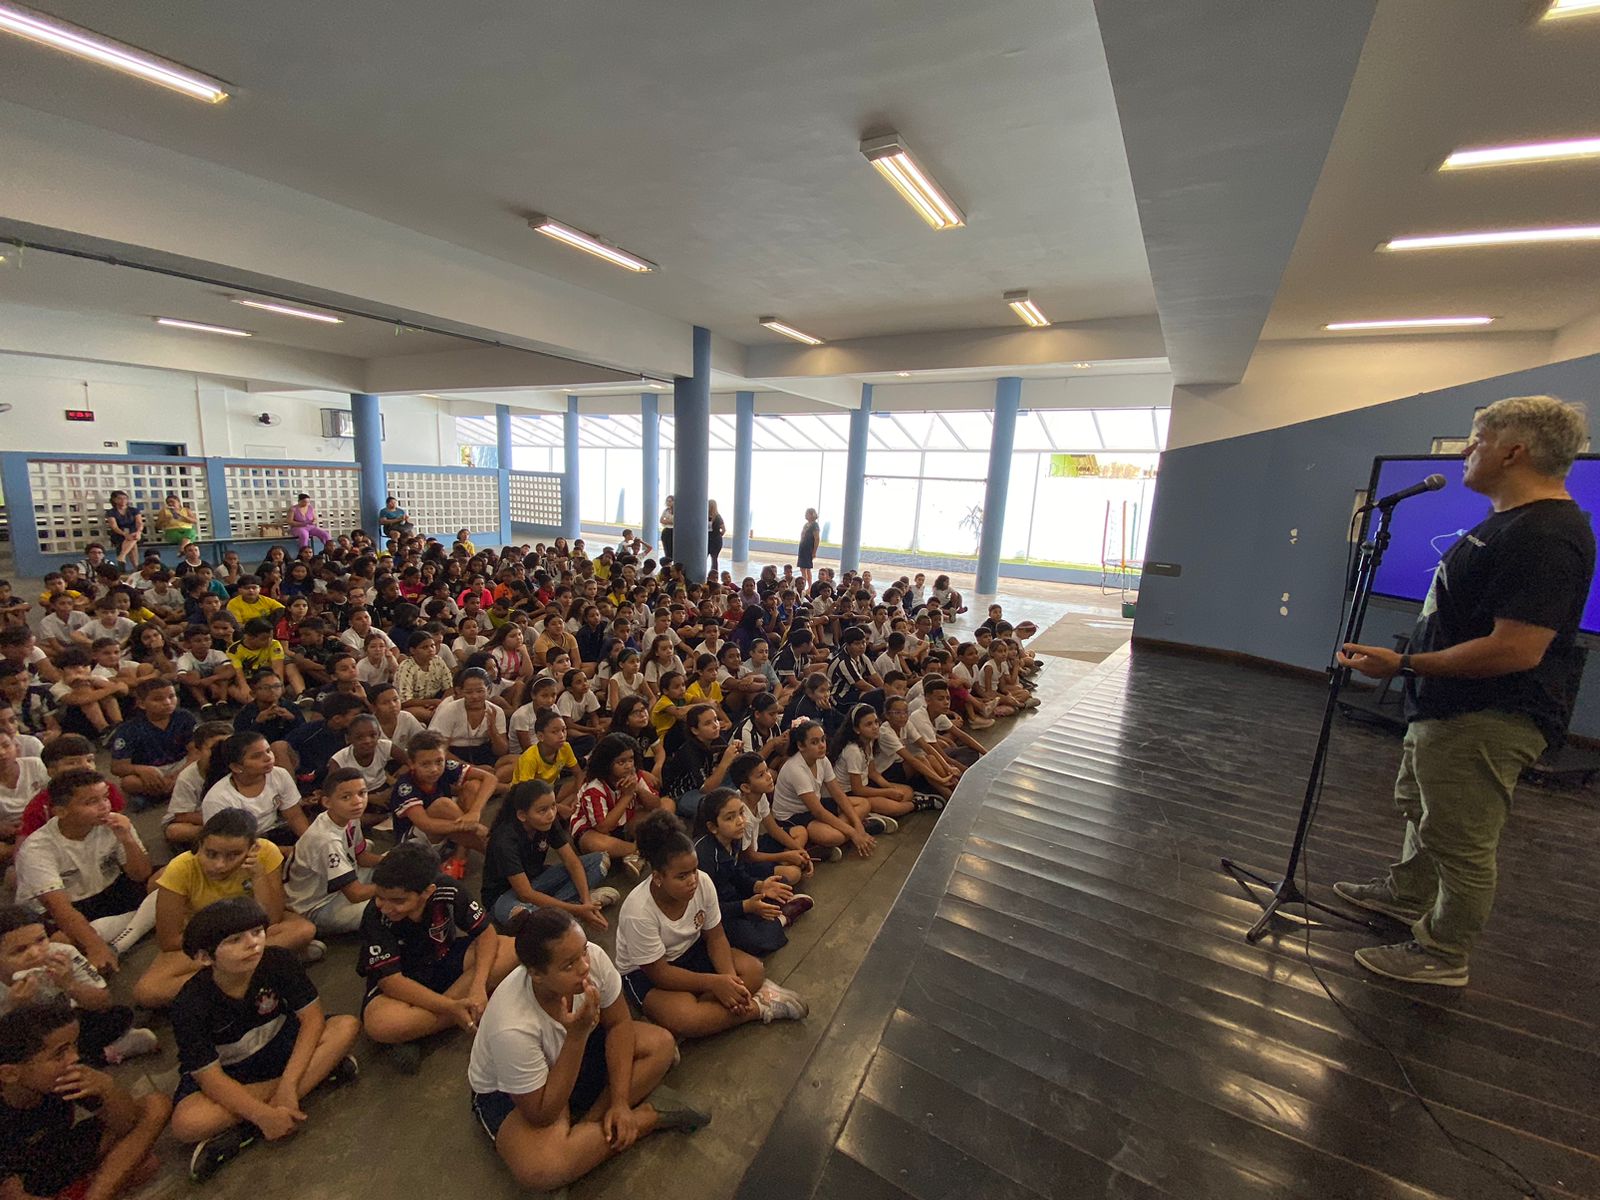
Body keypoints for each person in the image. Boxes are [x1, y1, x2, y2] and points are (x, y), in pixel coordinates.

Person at [1336, 395, 1595, 988]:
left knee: (1461, 840)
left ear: (1515, 450)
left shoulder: (1548, 537)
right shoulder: (1512, 521)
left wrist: (1402, 661)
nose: (1466, 449)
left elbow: (1517, 649)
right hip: (1447, 707)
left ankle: (1442, 952)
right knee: (1426, 813)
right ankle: (1406, 896)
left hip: (1487, 717)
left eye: (1477, 438)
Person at [466, 908, 709, 1192]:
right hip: (515, 1092)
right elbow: (541, 1113)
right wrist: (577, 1035)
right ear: (536, 974)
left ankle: (591, 1130)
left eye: (583, 951)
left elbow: (619, 1024)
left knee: (661, 1045)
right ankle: (650, 1116)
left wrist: (619, 1102)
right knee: (540, 1170)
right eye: (569, 965)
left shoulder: (592, 959)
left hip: (576, 1045)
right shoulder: (512, 1027)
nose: (584, 966)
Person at [167, 898, 360, 1182]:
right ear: (205, 957)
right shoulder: (189, 1004)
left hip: (282, 1048)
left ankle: (248, 1130)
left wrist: (288, 1086)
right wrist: (265, 1108)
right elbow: (210, 1078)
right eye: (235, 940)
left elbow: (312, 1020)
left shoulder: (279, 961)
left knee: (346, 1025)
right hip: (233, 1073)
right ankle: (317, 1076)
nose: (253, 943)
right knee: (186, 1123)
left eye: (257, 932)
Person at [612, 811, 806, 1038]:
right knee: (688, 1018)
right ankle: (758, 1008)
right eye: (682, 876)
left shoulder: (703, 883)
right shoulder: (638, 912)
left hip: (692, 951)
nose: (693, 880)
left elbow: (715, 937)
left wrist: (729, 981)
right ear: (657, 877)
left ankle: (713, 1013)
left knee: (753, 971)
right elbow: (660, 973)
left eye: (694, 870)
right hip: (647, 973)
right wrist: (714, 984)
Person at [357, 844, 518, 1074]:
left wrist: (478, 985)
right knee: (379, 1023)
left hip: (444, 962)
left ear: (427, 891)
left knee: (511, 948)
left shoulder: (447, 889)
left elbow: (485, 932)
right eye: (380, 897)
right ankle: (463, 1013)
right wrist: (451, 1006)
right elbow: (391, 981)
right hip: (404, 987)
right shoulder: (374, 915)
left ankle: (418, 1032)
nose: (386, 907)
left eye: (398, 900)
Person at [132, 809, 318, 1008]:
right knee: (148, 992)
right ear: (199, 845)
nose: (219, 865)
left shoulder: (266, 853)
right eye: (211, 854)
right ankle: (264, 965)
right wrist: (225, 949)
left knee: (303, 930)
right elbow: (169, 940)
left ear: (252, 849)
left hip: (252, 933)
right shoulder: (180, 869)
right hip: (204, 941)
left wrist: (258, 876)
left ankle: (234, 975)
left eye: (233, 855)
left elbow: (272, 919)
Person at [0, 997, 170, 1200]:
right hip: (18, 1181)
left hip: (56, 1155)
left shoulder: (62, 1077)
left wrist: (107, 1090)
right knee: (139, 1166)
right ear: (10, 1074)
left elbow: (128, 1124)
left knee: (156, 1105)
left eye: (74, 1045)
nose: (74, 1057)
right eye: (59, 1054)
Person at [13, 771, 156, 975]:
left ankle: (118, 942)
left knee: (166, 880)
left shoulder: (115, 823)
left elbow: (141, 875)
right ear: (61, 812)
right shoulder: (37, 849)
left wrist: (127, 839)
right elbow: (59, 908)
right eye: (91, 802)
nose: (104, 806)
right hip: (70, 906)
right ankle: (139, 920)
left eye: (105, 797)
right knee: (58, 943)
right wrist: (95, 947)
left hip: (109, 889)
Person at [0, 905, 157, 1066]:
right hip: (23, 1043)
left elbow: (103, 1001)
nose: (35, 953)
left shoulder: (63, 953)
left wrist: (70, 984)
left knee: (118, 1015)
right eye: (19, 950)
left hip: (69, 1028)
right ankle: (101, 1056)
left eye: (40, 940)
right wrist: (13, 1009)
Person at [482, 780, 618, 929]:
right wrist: (578, 910)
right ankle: (567, 911)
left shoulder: (548, 822)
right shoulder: (504, 840)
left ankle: (563, 912)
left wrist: (586, 902)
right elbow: (525, 894)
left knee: (598, 860)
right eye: (542, 810)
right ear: (522, 815)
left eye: (553, 806)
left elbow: (571, 861)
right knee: (519, 913)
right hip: (506, 897)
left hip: (538, 880)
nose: (551, 814)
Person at [692, 789, 810, 956]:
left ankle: (769, 915)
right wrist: (746, 906)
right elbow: (705, 909)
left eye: (741, 813)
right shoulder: (703, 857)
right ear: (712, 827)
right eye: (730, 817)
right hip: (713, 914)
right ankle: (782, 918)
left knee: (779, 884)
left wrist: (760, 886)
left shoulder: (733, 838)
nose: (740, 821)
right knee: (755, 941)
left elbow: (738, 874)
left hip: (732, 897)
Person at [286, 768, 386, 935]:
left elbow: (361, 857)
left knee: (393, 869)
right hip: (318, 905)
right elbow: (355, 894)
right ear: (327, 802)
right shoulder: (326, 839)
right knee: (392, 907)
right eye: (346, 797)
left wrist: (391, 860)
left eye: (362, 793)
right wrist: (398, 886)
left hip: (343, 886)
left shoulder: (349, 817)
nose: (358, 802)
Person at [103, 491, 143, 567]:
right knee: (133, 543)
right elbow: (114, 527)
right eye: (120, 498)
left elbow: (139, 523)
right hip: (119, 534)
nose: (123, 500)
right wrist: (125, 534)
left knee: (133, 538)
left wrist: (138, 532)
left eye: (125, 498)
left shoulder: (134, 510)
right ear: (114, 500)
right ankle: (136, 567)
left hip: (134, 533)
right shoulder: (111, 512)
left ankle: (122, 555)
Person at [797, 507, 820, 590]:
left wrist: (814, 551)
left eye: (807, 513)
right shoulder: (806, 524)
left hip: (808, 549)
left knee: (807, 568)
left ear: (812, 514)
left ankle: (809, 586)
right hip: (803, 548)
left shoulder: (815, 525)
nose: (806, 515)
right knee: (802, 568)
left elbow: (817, 539)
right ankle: (805, 585)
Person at [707, 500, 725, 576]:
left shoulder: (718, 517)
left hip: (715, 540)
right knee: (707, 557)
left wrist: (718, 535)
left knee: (714, 558)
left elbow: (723, 529)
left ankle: (714, 575)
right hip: (708, 539)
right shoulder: (706, 516)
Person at [658, 495, 675, 564]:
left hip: (673, 531)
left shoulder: (678, 510)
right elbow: (661, 520)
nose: (668, 503)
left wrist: (668, 521)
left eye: (670, 501)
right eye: (667, 501)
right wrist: (669, 521)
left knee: (673, 550)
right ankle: (668, 564)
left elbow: (676, 521)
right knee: (667, 550)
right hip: (666, 531)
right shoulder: (666, 510)